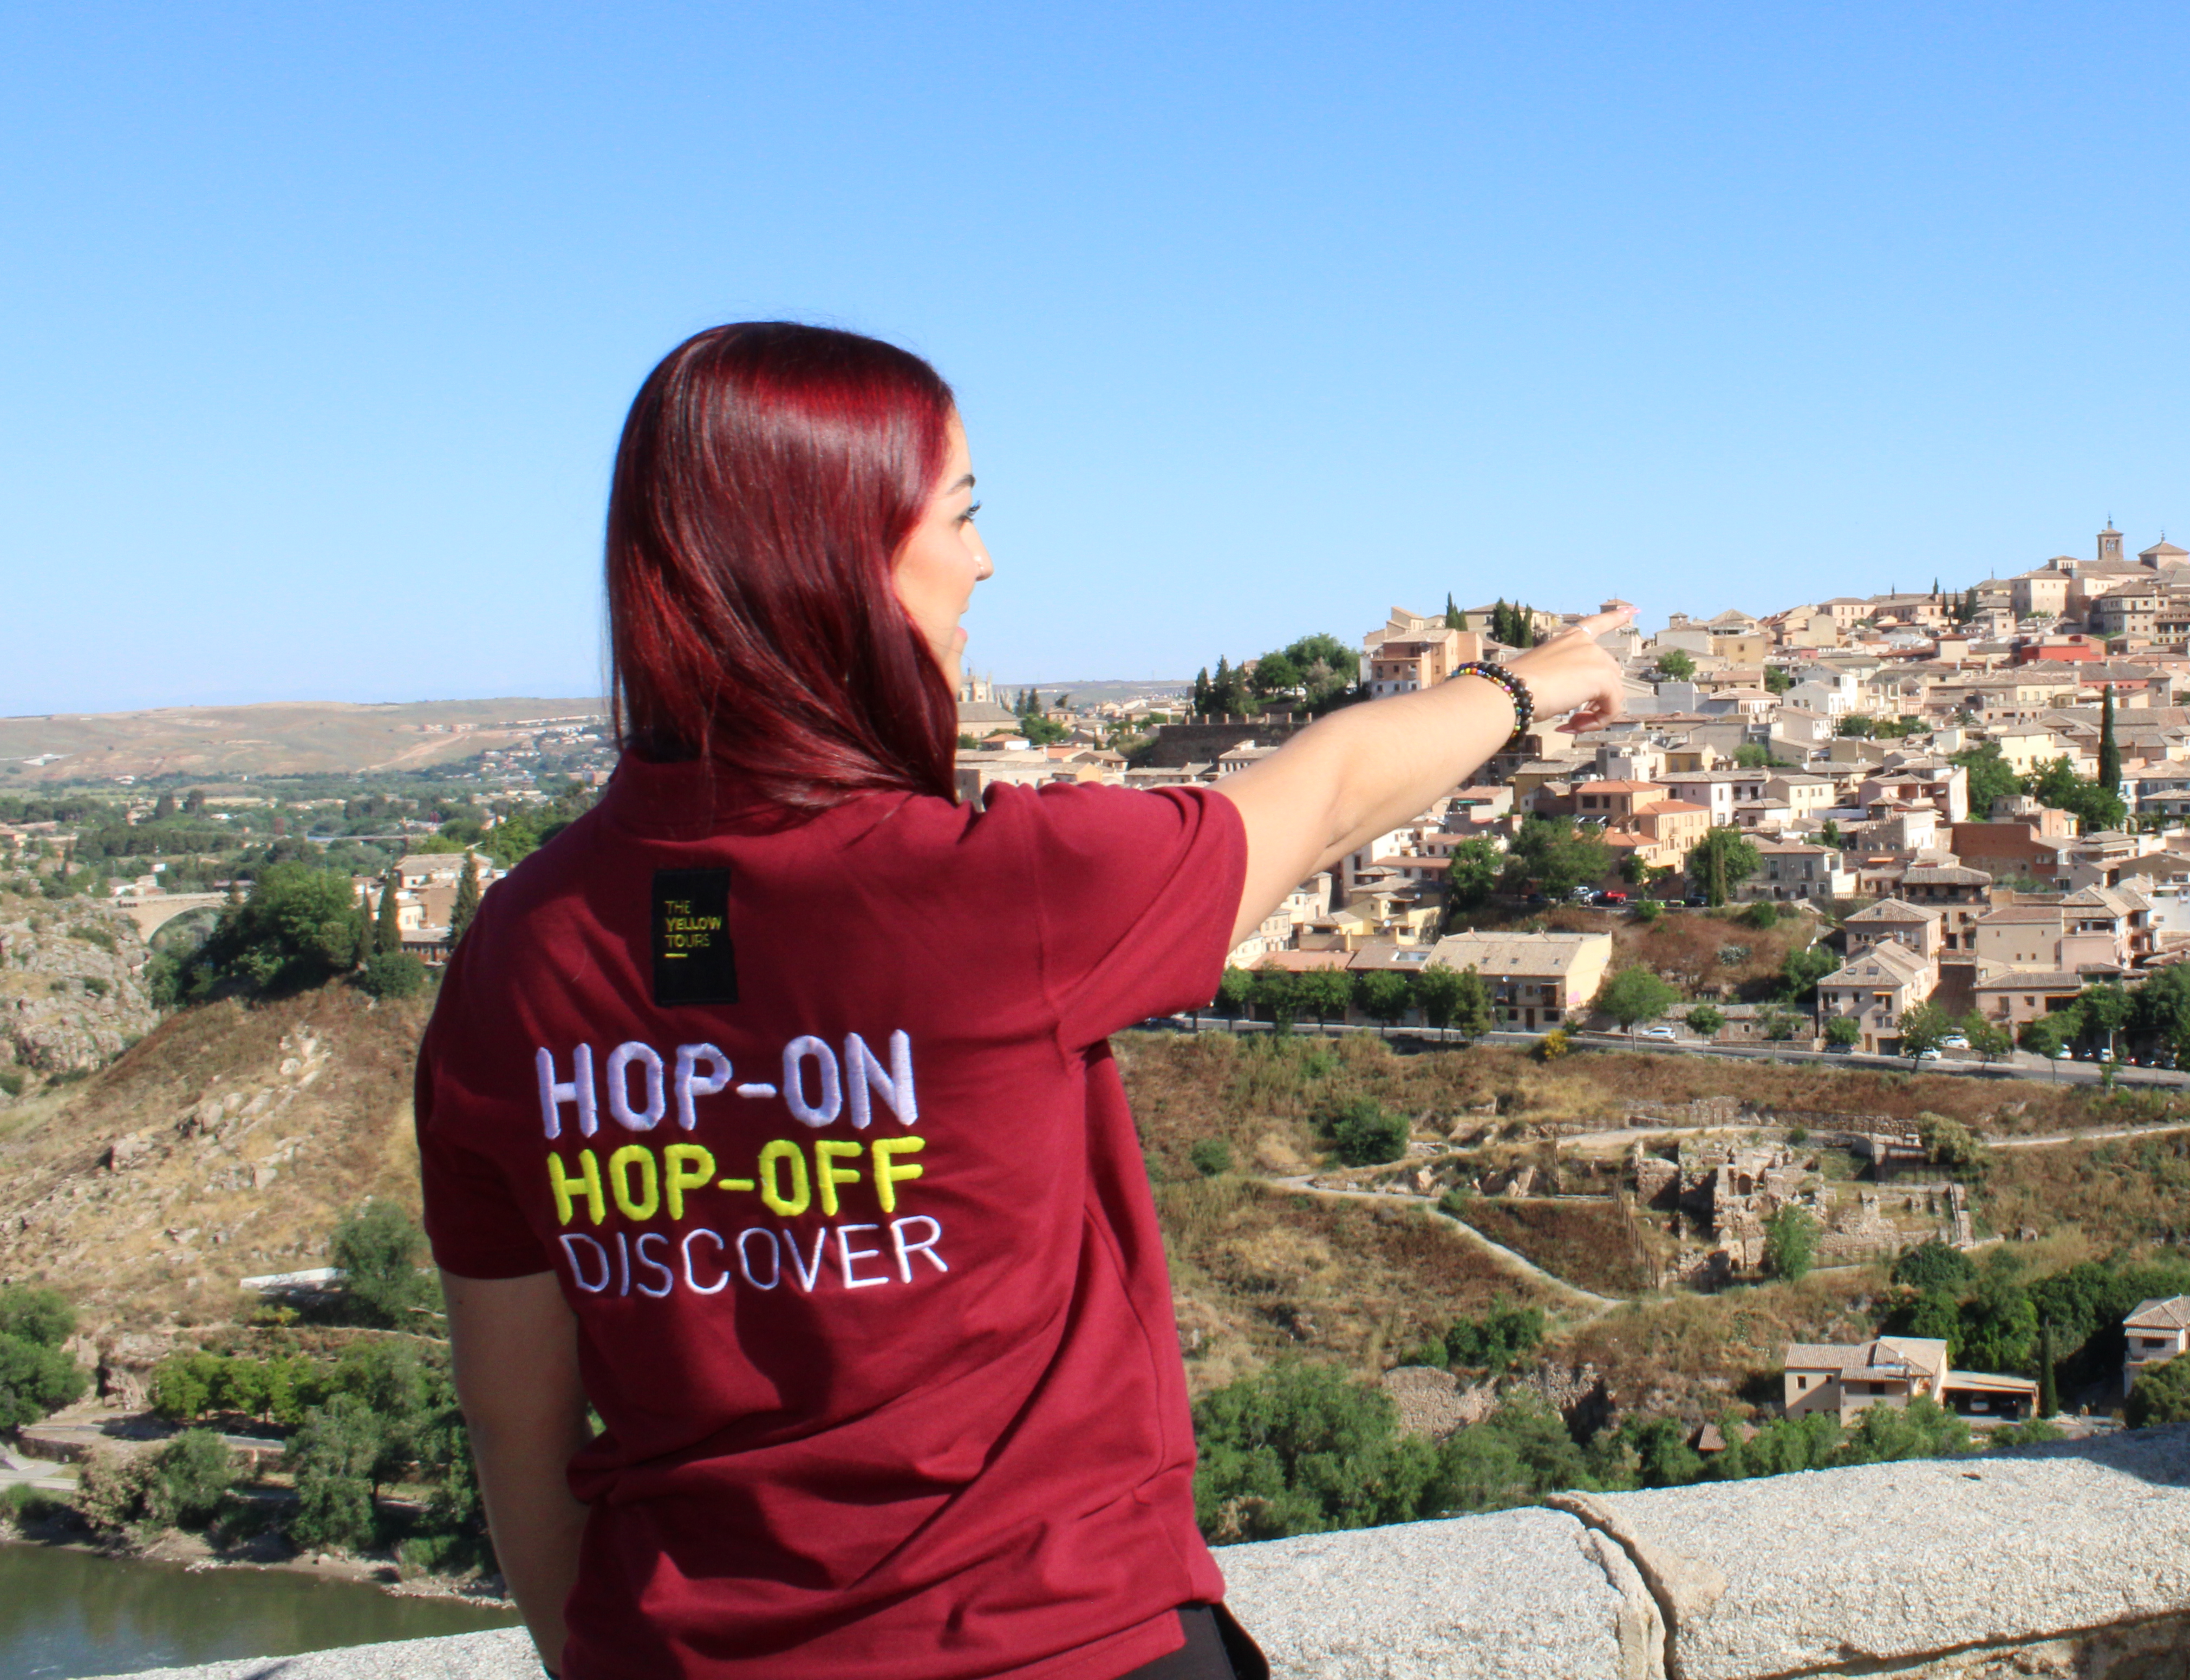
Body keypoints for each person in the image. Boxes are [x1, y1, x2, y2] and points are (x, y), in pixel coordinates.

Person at [416, 322, 1630, 1680]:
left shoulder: (516, 953)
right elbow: (1326, 789)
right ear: (842, 553)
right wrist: (1533, 682)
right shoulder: (1003, 891)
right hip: (1065, 1641)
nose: (985, 560)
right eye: (963, 514)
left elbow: (517, 1422)